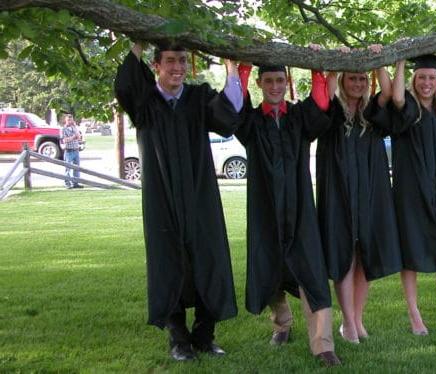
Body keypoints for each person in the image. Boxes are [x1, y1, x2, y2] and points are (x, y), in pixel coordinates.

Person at [113, 41, 241, 361]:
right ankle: (179, 340)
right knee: (169, 263)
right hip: (163, 199)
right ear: (156, 65)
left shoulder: (198, 98)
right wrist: (136, 45)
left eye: (183, 61)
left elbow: (229, 115)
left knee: (209, 260)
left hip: (200, 197)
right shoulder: (145, 102)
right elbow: (125, 85)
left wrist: (230, 68)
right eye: (170, 61)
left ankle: (204, 335)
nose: (178, 67)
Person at [235, 47, 341, 366]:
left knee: (311, 269)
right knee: (269, 268)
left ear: (287, 81)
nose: (275, 86)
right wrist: (239, 65)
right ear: (260, 83)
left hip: (300, 210)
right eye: (268, 80)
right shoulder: (251, 121)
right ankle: (282, 324)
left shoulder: (297, 118)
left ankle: (323, 344)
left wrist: (318, 69)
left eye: (280, 80)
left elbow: (322, 103)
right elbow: (233, 105)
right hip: (265, 210)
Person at [368, 44, 436, 336]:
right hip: (411, 192)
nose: (427, 83)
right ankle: (414, 315)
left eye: (432, 78)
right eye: (421, 78)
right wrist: (400, 58)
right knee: (410, 251)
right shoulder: (409, 110)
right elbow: (398, 96)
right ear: (414, 81)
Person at [315, 45, 402, 344]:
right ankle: (348, 322)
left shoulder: (371, 113)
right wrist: (335, 63)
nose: (357, 84)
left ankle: (357, 317)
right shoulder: (333, 111)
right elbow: (323, 94)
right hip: (339, 192)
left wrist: (379, 61)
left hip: (370, 192)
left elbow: (389, 92)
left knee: (364, 255)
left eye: (362, 80)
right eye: (351, 79)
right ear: (342, 81)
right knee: (344, 254)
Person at [60, 113, 83, 189]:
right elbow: (64, 140)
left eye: (71, 119)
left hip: (76, 149)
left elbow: (79, 137)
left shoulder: (74, 128)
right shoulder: (63, 129)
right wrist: (73, 137)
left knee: (76, 168)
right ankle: (67, 183)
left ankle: (75, 182)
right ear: (66, 120)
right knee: (68, 168)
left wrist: (75, 127)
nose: (70, 121)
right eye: (68, 120)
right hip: (68, 150)